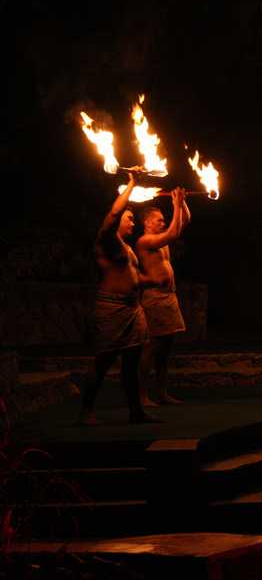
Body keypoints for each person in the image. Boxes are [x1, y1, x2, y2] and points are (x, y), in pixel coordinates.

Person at [78, 173, 159, 425]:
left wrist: (150, 280)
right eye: (130, 218)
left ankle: (136, 411)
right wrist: (132, 183)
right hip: (112, 309)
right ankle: (86, 411)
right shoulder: (107, 241)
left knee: (132, 363)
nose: (133, 223)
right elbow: (114, 214)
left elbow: (130, 276)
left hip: (133, 308)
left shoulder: (126, 247)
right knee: (103, 361)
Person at [136, 188, 188, 406]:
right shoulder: (145, 241)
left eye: (163, 220)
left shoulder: (161, 239)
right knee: (152, 348)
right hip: (154, 299)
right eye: (159, 220)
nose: (163, 223)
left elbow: (183, 223)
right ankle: (142, 396)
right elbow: (174, 232)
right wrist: (176, 204)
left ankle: (161, 393)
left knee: (166, 350)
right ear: (147, 223)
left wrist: (182, 202)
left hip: (169, 298)